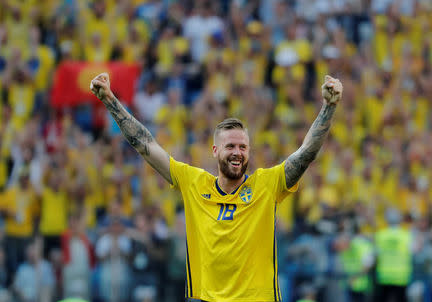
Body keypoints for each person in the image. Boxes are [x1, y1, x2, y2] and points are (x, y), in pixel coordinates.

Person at [90, 72, 342, 301]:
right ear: (215, 150)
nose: (237, 152)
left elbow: (306, 153)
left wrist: (328, 108)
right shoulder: (194, 183)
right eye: (230, 146)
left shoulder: (266, 184)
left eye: (243, 147)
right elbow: (146, 145)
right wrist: (111, 100)